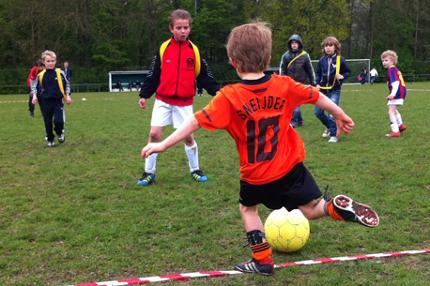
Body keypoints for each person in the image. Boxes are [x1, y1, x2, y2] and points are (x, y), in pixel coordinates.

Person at [140, 23, 379, 276]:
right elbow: (315, 95)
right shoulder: (284, 84)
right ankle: (334, 208)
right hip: (290, 169)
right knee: (310, 209)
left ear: (233, 61)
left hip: (256, 175)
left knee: (248, 209)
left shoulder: (229, 96)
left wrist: (163, 143)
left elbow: (194, 121)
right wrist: (340, 114)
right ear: (268, 58)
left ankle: (263, 261)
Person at [137, 9, 220, 186]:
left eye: (186, 27)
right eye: (179, 28)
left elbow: (205, 75)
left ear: (190, 28)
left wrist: (216, 91)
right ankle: (148, 173)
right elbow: (153, 74)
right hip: (163, 101)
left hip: (184, 103)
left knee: (188, 137)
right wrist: (144, 94)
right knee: (154, 134)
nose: (183, 31)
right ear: (171, 28)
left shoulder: (194, 51)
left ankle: (195, 169)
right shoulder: (163, 48)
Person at [31, 50, 72, 147]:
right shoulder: (41, 75)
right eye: (48, 61)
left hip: (58, 101)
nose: (50, 63)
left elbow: (67, 85)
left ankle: (60, 132)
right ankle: (50, 138)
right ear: (44, 62)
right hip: (45, 102)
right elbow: (34, 86)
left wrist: (68, 95)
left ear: (55, 61)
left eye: (52, 61)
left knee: (59, 121)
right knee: (48, 122)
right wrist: (34, 96)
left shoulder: (60, 73)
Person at [314, 36, 350, 143]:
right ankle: (329, 127)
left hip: (335, 90)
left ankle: (334, 135)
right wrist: (316, 83)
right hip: (322, 90)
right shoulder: (321, 60)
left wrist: (342, 76)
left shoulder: (340, 60)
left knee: (332, 112)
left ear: (335, 47)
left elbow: (348, 72)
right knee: (318, 112)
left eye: (330, 45)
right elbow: (318, 73)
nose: (328, 48)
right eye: (326, 46)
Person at [279, 34, 315, 128]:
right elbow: (282, 70)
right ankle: (296, 121)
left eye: (296, 43)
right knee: (295, 103)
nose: (294, 45)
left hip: (302, 83)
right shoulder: (285, 56)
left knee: (296, 103)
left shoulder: (305, 55)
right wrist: (283, 82)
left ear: (299, 44)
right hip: (290, 84)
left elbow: (310, 70)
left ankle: (297, 121)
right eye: (292, 43)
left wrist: (313, 82)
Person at [381, 50, 407, 137]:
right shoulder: (395, 69)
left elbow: (395, 83)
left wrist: (392, 94)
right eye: (383, 60)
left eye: (386, 60)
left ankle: (395, 131)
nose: (383, 62)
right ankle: (400, 125)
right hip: (402, 92)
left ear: (392, 61)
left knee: (390, 112)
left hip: (397, 93)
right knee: (393, 109)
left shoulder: (391, 69)